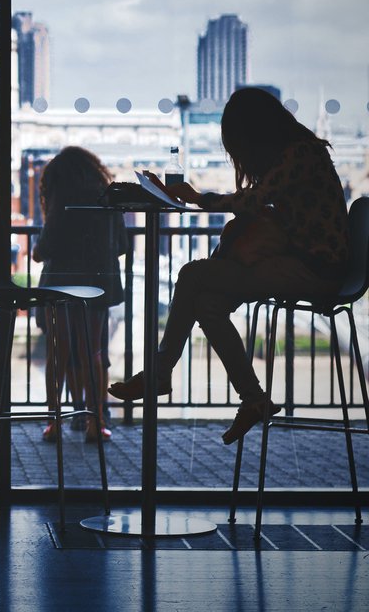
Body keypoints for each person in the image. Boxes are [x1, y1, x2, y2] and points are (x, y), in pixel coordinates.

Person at [110, 87, 349, 444]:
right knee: (206, 303)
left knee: (191, 275)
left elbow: (252, 201)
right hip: (305, 266)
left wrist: (196, 198)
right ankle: (253, 399)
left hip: (312, 271)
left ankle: (160, 375)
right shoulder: (302, 153)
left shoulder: (300, 154)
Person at [32, 146, 127, 443]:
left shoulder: (62, 196)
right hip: (98, 283)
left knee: (58, 353)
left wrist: (39, 251)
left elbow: (44, 247)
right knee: (94, 352)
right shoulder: (106, 193)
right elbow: (122, 244)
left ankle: (54, 423)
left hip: (61, 282)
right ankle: (95, 423)